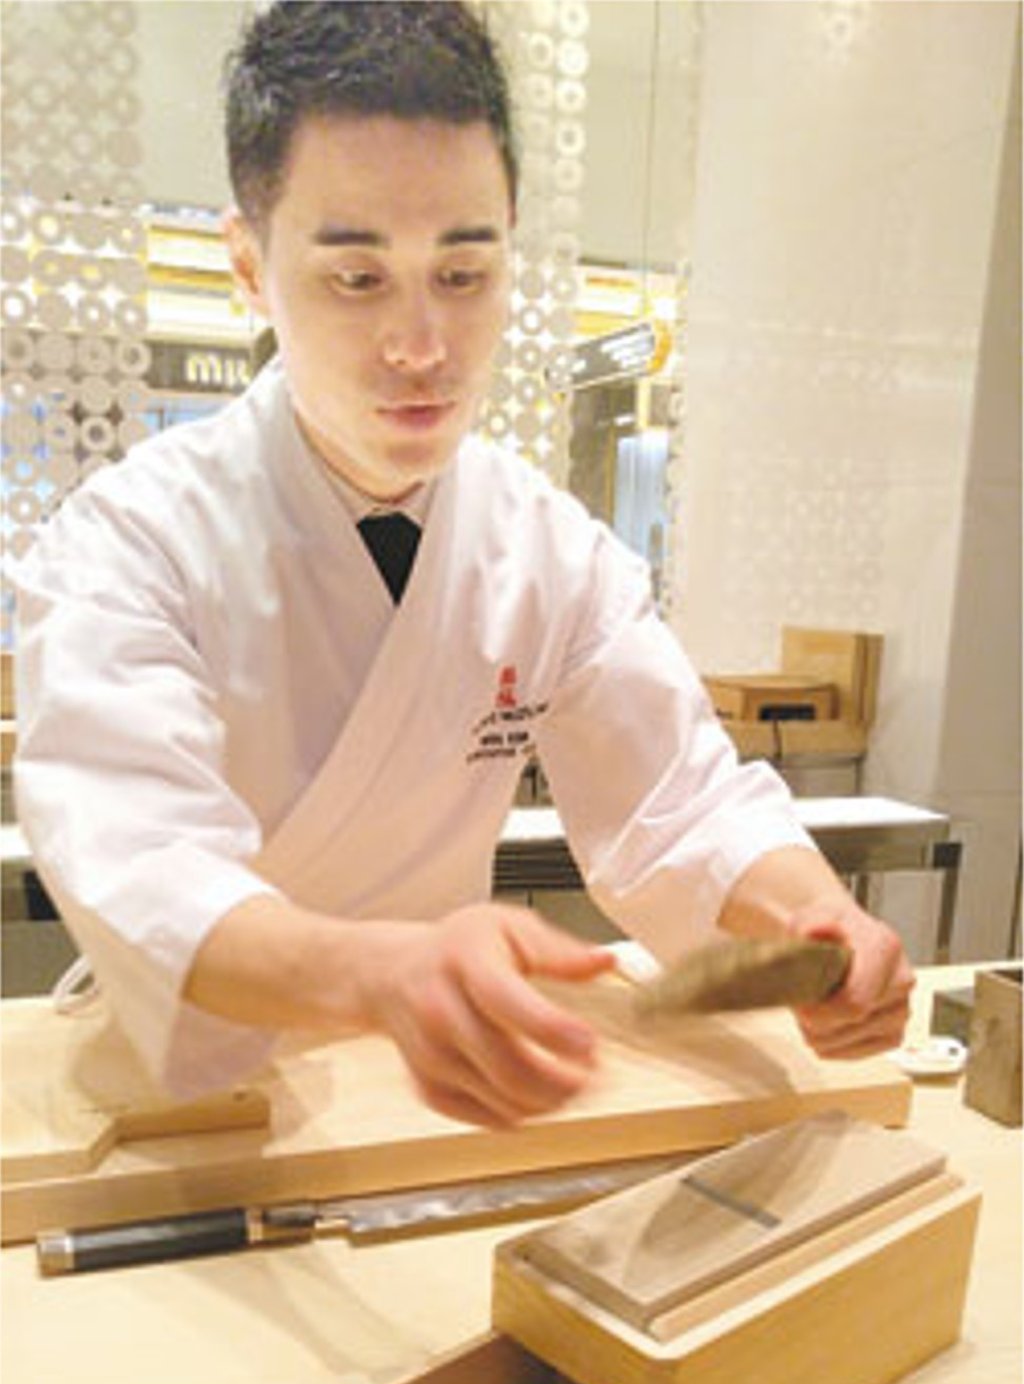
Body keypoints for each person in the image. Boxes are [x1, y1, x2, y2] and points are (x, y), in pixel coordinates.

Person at [12, 0, 913, 1131]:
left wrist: (814, 921)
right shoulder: (129, 539)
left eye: (463, 273)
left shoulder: (547, 548)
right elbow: (137, 859)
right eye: (356, 279)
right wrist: (382, 975)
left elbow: (679, 809)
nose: (422, 347)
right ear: (249, 262)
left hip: (439, 1091)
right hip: (184, 1092)